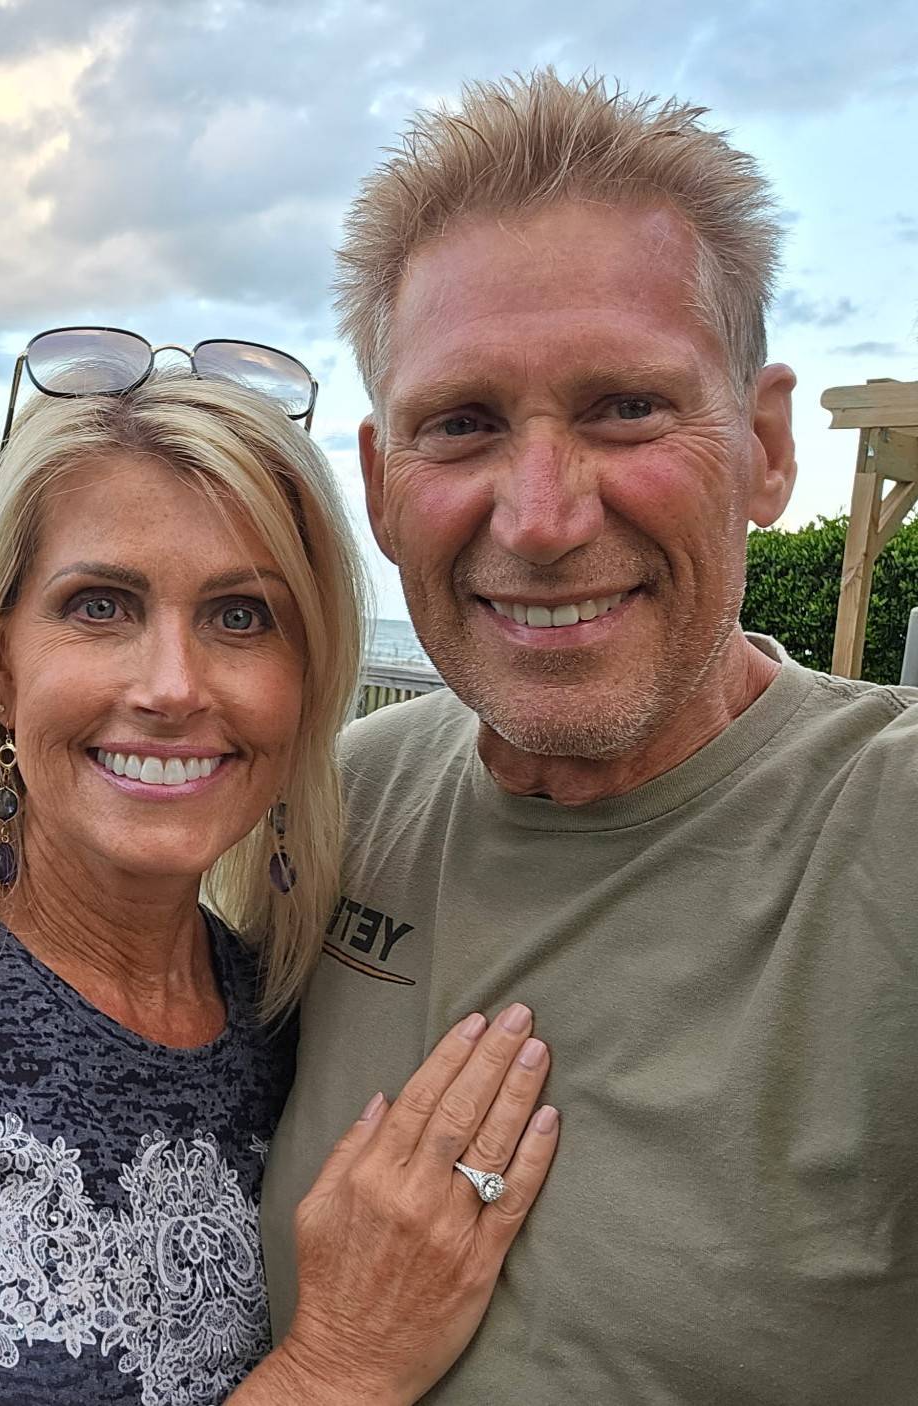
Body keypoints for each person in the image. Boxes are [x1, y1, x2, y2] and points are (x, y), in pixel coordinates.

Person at [261, 71, 918, 1404]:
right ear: (384, 490)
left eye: (626, 405)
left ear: (768, 447)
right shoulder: (342, 802)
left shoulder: (886, 829)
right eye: (465, 423)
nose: (546, 515)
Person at [0, 349, 562, 1405]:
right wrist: (339, 1369)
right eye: (100, 605)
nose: (171, 685)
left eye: (241, 615)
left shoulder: (290, 1016)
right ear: (1, 662)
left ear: (307, 686)